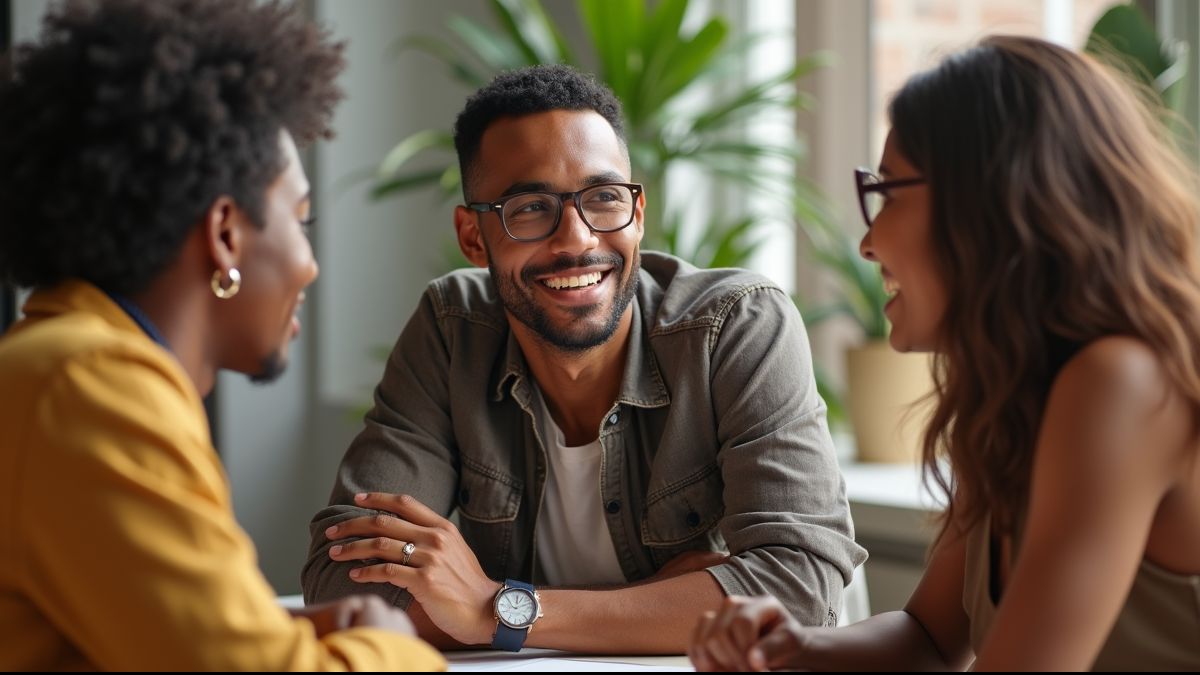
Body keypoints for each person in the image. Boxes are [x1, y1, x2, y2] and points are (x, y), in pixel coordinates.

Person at [302, 64, 866, 654]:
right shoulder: (453, 331)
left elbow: (798, 588)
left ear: (638, 214)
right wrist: (664, 597)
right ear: (473, 236)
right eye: (529, 208)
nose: (576, 240)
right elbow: (341, 579)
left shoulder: (736, 325)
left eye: (603, 198)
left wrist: (501, 609)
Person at [688, 35, 1200, 672]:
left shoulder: (1120, 382)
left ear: (990, 200)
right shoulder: (1011, 402)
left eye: (889, 195)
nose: (869, 243)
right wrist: (796, 647)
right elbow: (928, 637)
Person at [0, 0, 444, 670]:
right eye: (301, 218)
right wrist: (392, 644)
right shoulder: (93, 388)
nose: (311, 262)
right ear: (226, 232)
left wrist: (299, 634)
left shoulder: (64, 363)